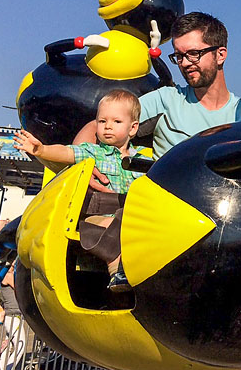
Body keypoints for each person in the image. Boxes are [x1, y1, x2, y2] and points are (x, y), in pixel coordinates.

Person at [74, 11, 241, 168]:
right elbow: (96, 126)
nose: (186, 63)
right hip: (162, 204)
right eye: (179, 56)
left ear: (220, 55)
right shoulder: (165, 99)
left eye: (194, 54)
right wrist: (85, 169)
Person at [15, 89, 150, 291]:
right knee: (112, 225)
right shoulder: (92, 152)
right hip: (97, 216)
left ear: (133, 128)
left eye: (116, 122)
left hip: (128, 217)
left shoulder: (141, 162)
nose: (108, 127)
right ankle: (117, 270)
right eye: (102, 121)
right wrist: (41, 150)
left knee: (137, 226)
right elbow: (67, 151)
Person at [0, 263, 24, 370]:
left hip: (12, 316)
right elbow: (19, 290)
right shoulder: (8, 276)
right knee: (20, 347)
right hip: (13, 316)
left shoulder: (7, 275)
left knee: (9, 347)